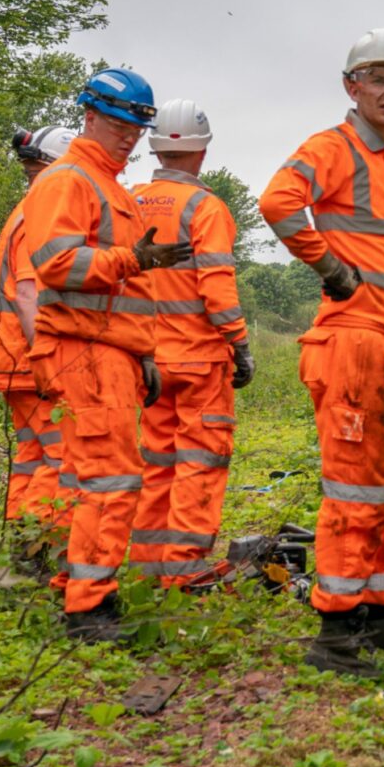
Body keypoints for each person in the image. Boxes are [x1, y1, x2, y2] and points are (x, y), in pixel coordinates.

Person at [258, 28, 384, 677]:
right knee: (355, 488)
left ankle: (380, 609)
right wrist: (331, 268)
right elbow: (277, 202)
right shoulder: (330, 148)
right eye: (377, 78)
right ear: (351, 86)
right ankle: (335, 633)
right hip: (353, 339)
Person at [20, 68, 193, 643]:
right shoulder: (68, 180)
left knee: (93, 479)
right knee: (110, 480)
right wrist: (131, 260)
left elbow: (129, 297)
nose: (129, 136)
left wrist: (142, 352)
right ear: (89, 115)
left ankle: (76, 584)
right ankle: (88, 610)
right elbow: (56, 264)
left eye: (138, 126)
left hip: (109, 353)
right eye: (119, 123)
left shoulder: (113, 187)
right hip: (83, 352)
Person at [129, 99, 255, 586]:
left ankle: (145, 568)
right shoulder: (206, 208)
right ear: (203, 151)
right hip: (200, 361)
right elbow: (217, 288)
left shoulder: (131, 202)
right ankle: (184, 570)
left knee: (157, 461)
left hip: (149, 362)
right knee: (201, 462)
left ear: (154, 147)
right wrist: (239, 345)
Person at [0, 124, 73, 569]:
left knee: (31, 455)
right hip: (29, 357)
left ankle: (22, 546)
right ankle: (35, 551)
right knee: (63, 455)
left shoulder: (22, 210)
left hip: (10, 356)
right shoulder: (40, 214)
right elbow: (27, 294)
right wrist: (46, 358)